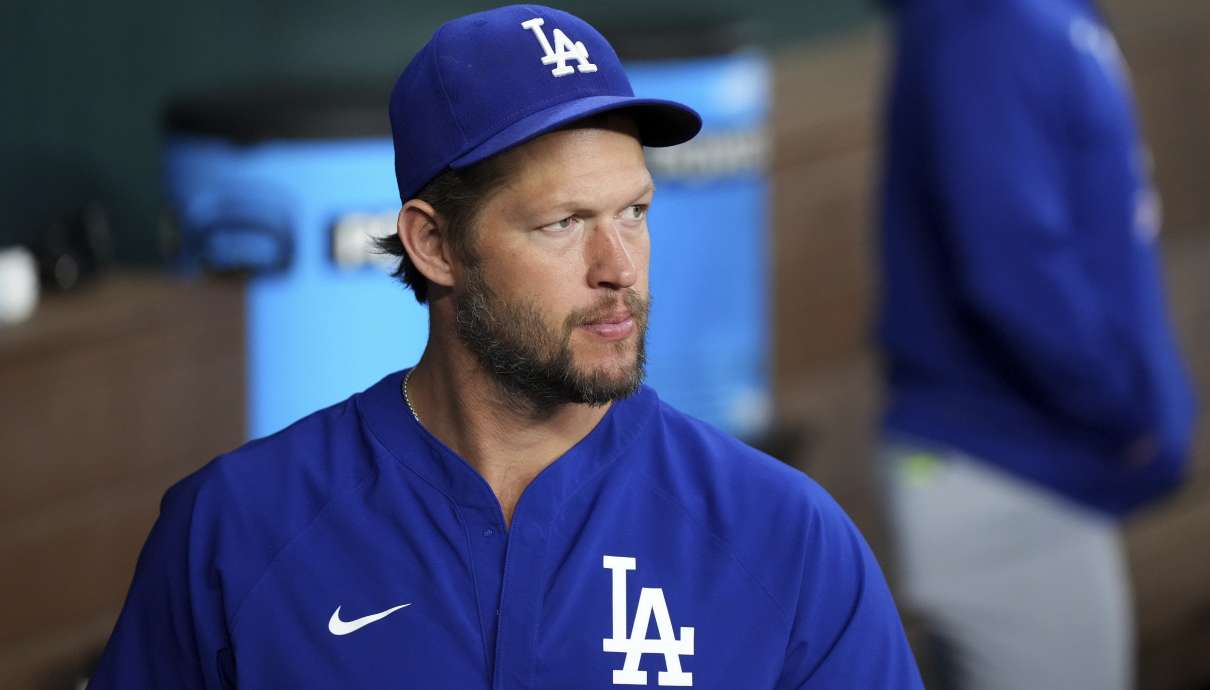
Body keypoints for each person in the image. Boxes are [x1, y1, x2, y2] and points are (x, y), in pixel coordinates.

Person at [89, 6, 922, 688]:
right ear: (434, 245)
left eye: (634, 212)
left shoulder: (783, 538)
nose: (618, 269)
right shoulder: (237, 530)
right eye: (563, 224)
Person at [877, 0, 1197, 688]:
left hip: (1036, 469)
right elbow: (1011, 268)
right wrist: (1123, 411)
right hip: (1005, 469)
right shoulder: (991, 25)